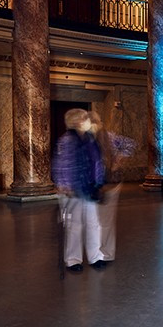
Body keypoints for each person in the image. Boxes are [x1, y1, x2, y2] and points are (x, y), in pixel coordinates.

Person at [53, 108, 105, 272]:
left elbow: (97, 162)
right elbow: (61, 165)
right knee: (74, 226)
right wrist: (64, 185)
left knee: (93, 224)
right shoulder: (67, 140)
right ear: (78, 121)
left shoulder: (90, 140)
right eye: (85, 118)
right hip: (72, 190)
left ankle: (95, 257)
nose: (88, 120)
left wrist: (98, 182)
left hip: (88, 188)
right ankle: (73, 260)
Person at [89, 110, 135, 265]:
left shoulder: (107, 137)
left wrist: (118, 161)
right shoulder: (99, 138)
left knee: (101, 221)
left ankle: (101, 254)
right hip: (102, 183)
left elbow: (130, 144)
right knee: (102, 222)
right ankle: (101, 253)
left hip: (106, 184)